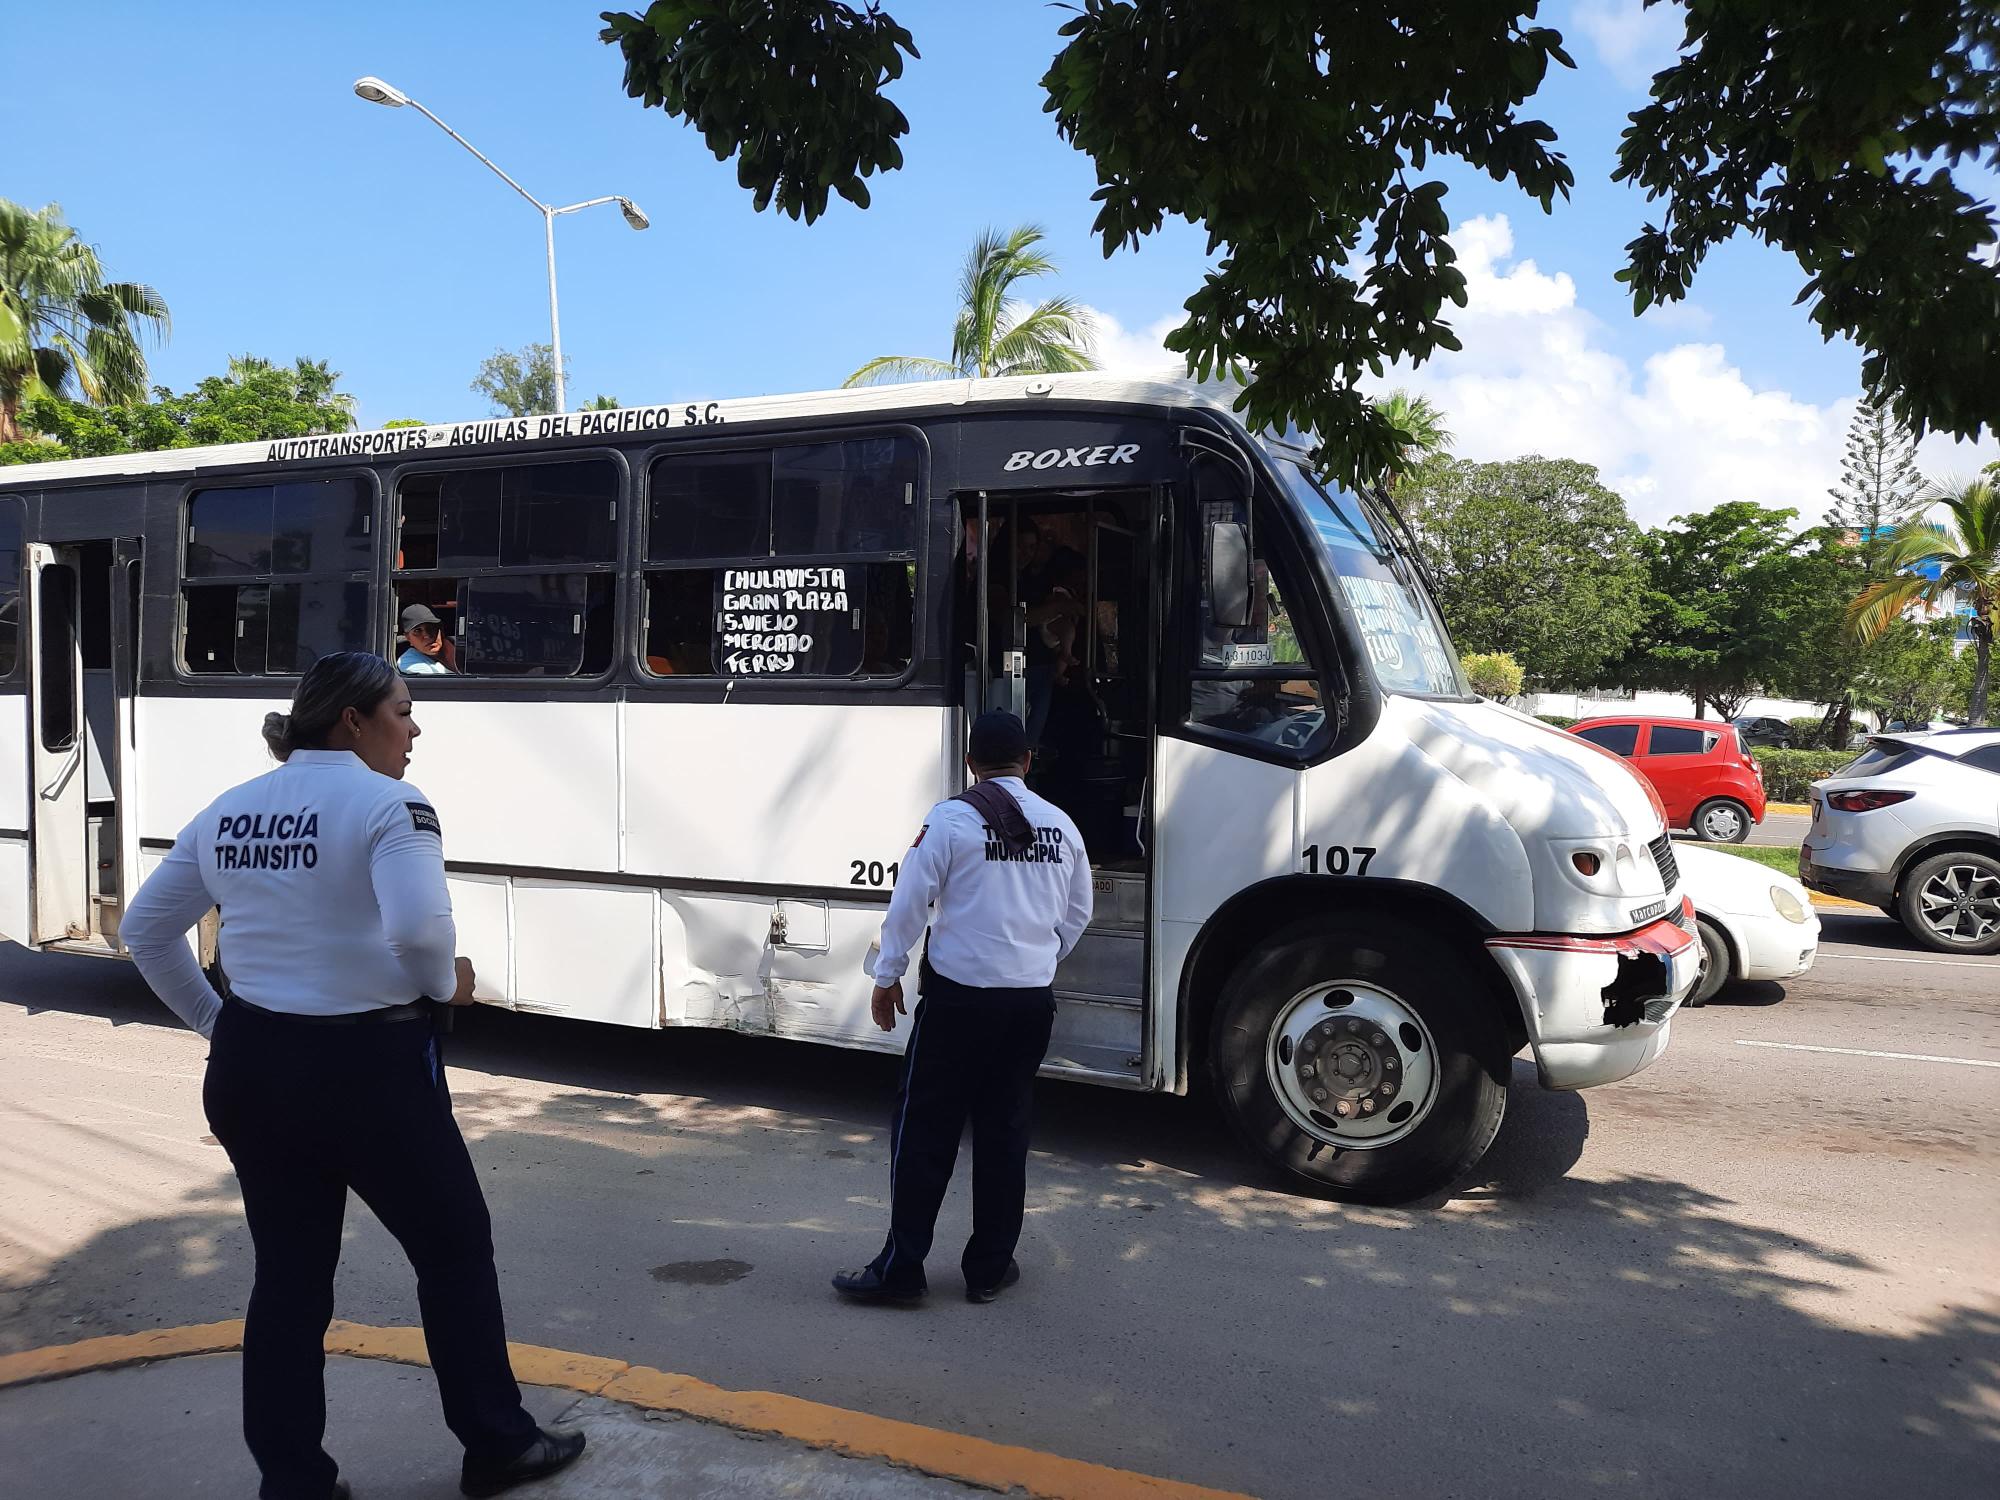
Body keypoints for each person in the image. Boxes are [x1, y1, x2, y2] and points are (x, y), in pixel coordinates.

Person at [118, 653, 584, 1500]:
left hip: (255, 1069)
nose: (415, 730)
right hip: (368, 1072)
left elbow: (144, 932)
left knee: (289, 1278)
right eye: (403, 711)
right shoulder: (391, 805)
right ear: (353, 721)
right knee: (452, 1251)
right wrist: (450, 985)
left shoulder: (231, 809)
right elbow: (417, 933)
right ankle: (498, 1444)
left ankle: (293, 1482)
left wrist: (224, 1025)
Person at [833, 711, 1094, 1305]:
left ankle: (902, 1270)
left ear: (971, 762)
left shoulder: (951, 819)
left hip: (959, 1005)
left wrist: (886, 974)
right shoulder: (1062, 826)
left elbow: (910, 904)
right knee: (1005, 1130)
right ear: (1028, 761)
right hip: (1030, 1005)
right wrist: (1036, 961)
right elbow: (1078, 913)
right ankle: (989, 1270)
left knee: (925, 1130)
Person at [397, 603, 452, 675]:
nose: (427, 635)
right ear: (408, 638)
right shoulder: (408, 662)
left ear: (441, 629)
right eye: (417, 631)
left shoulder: (457, 646)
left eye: (431, 627)